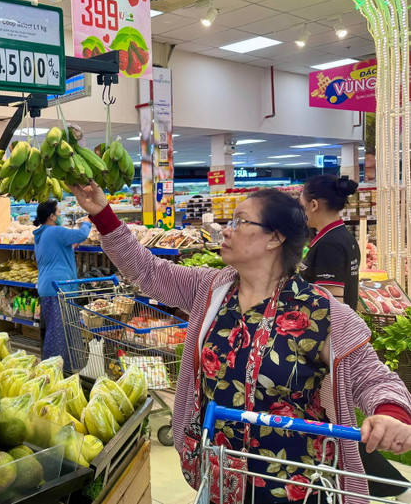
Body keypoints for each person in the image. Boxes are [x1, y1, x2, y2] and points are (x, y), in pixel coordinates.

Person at [70, 182, 411, 503]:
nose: (226, 230)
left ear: (274, 238)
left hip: (295, 483)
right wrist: (102, 213)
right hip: (220, 474)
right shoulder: (212, 290)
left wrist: (390, 414)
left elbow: (373, 377)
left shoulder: (320, 312)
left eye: (240, 221)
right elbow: (147, 270)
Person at [300, 175, 410, 501]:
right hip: (336, 341)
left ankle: (387, 484)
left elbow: (328, 299)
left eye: (302, 202)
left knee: (335, 422)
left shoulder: (331, 243)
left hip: (328, 343)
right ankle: (387, 484)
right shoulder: (341, 237)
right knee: (337, 420)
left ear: (315, 204)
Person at [32, 200, 91, 365]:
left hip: (48, 288)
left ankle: (58, 367)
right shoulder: (55, 231)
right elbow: (81, 235)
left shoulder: (42, 234)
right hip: (58, 289)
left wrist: (69, 247)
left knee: (55, 331)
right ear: (51, 216)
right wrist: (86, 223)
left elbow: (54, 254)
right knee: (59, 335)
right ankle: (54, 371)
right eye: (58, 212)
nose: (60, 215)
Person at [299, 175, 360, 308]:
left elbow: (331, 305)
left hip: (331, 328)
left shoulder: (330, 244)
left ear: (314, 205)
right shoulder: (343, 235)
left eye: (302, 207)